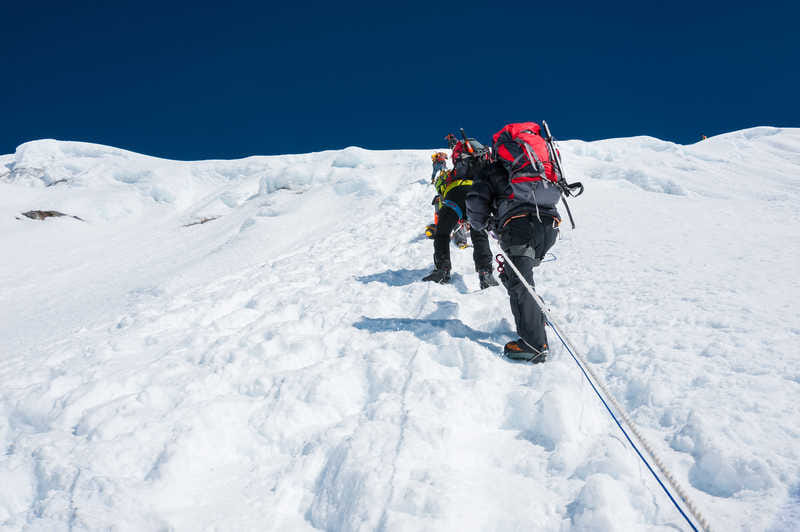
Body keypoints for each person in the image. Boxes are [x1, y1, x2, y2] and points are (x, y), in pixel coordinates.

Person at [466, 122, 561, 362]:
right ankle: (536, 317)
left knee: (519, 281)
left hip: (519, 224)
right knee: (514, 276)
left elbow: (476, 202)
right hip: (549, 226)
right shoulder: (536, 169)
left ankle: (533, 343)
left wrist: (481, 224)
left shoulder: (492, 170)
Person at [423, 137, 499, 289]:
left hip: (455, 194)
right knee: (479, 234)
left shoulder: (454, 172)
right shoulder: (481, 168)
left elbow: (442, 188)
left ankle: (442, 270)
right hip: (477, 193)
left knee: (443, 233)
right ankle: (485, 272)